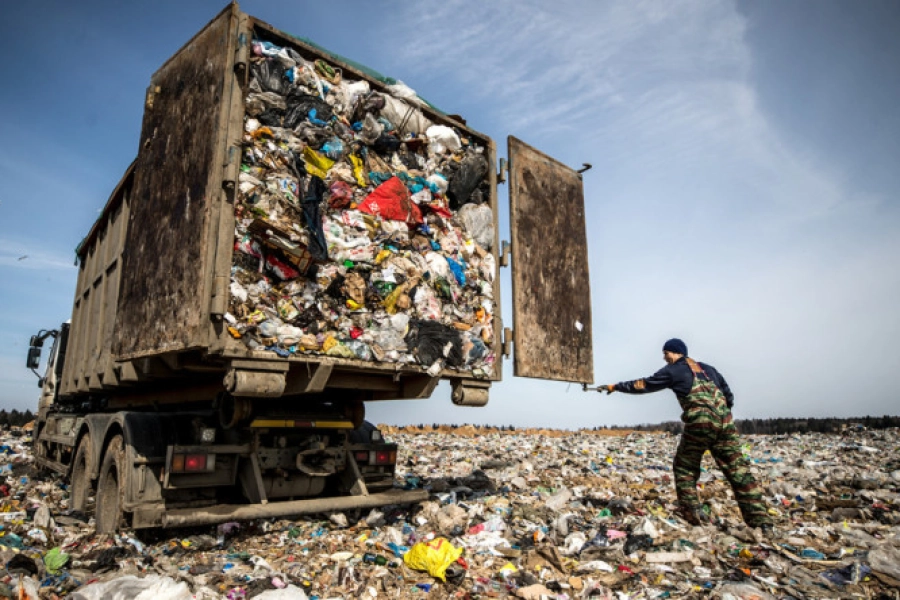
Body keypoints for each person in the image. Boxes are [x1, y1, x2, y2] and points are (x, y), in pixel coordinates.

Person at [598, 338, 773, 532]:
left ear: (675, 352)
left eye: (666, 353)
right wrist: (720, 417)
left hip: (700, 423)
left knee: (685, 467)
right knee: (738, 471)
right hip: (725, 424)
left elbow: (643, 384)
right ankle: (762, 522)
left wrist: (615, 387)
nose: (665, 358)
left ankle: (693, 513)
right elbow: (728, 396)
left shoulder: (674, 370)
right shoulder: (709, 370)